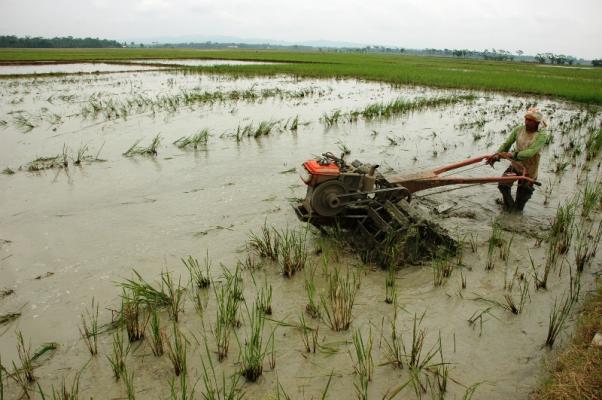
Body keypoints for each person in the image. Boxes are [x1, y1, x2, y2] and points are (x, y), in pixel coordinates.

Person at [488, 108, 548, 212]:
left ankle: (514, 212)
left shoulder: (541, 136)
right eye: (526, 119)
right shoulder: (519, 130)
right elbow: (507, 144)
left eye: (530, 121)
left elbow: (530, 152)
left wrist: (511, 155)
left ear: (537, 123)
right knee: (503, 185)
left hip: (530, 170)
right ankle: (509, 209)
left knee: (521, 200)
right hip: (516, 165)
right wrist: (496, 155)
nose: (527, 122)